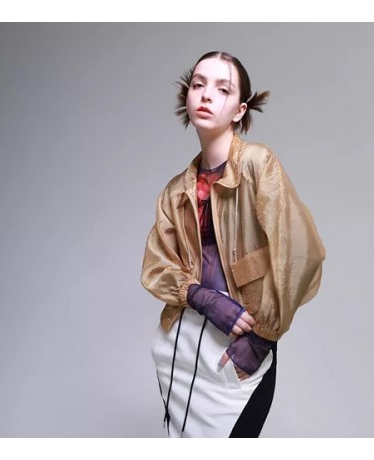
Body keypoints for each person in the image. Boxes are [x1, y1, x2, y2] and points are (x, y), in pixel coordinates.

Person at [140, 51, 326, 438]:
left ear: (240, 110)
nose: (207, 95)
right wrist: (203, 297)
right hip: (181, 345)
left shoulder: (258, 164)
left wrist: (261, 339)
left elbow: (300, 252)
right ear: (187, 97)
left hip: (238, 343)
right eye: (198, 84)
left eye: (222, 89)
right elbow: (157, 266)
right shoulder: (175, 191)